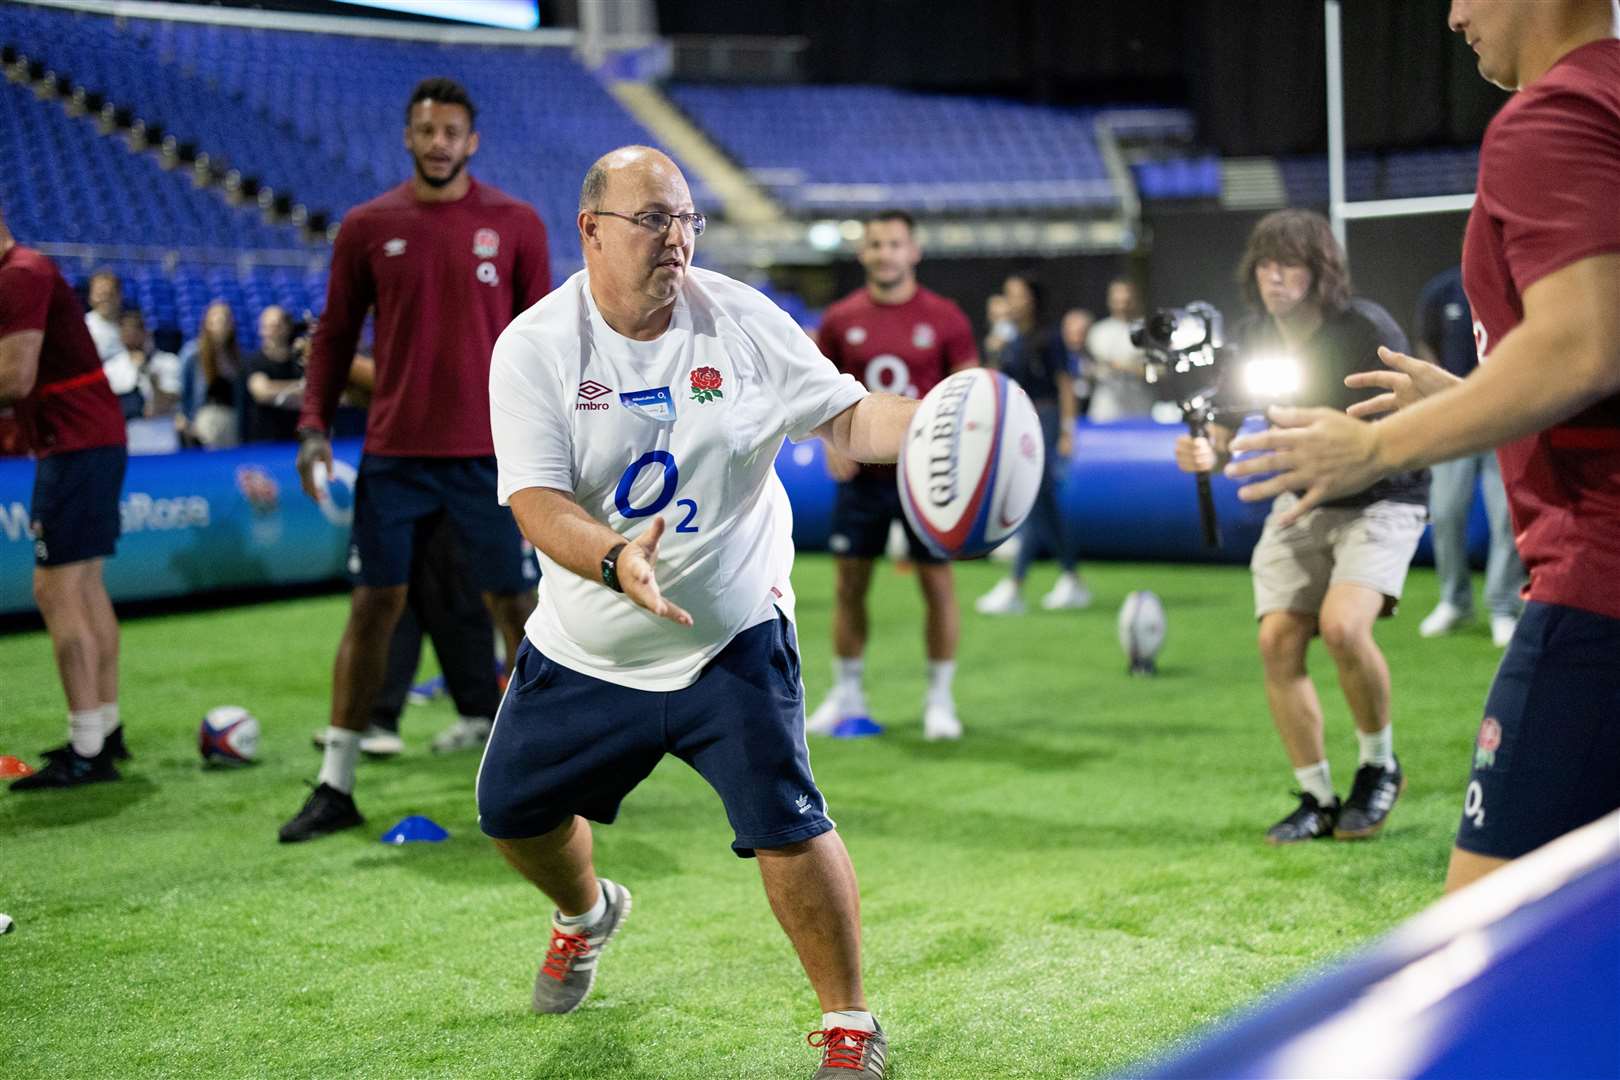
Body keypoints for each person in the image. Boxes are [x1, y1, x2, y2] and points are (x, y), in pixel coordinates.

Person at [481, 145, 905, 1079]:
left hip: (733, 628)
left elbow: (844, 418)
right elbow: (537, 502)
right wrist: (613, 555)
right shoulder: (536, 348)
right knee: (510, 813)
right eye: (651, 219)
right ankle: (588, 914)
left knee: (788, 820)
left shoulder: (743, 318)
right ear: (590, 230)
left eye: (685, 219)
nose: (675, 238)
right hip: (590, 642)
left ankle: (849, 1025)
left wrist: (931, 422)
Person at [1225, 0, 1619, 892]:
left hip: (1600, 580)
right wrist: (1471, 397)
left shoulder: (1551, 116)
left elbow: (1585, 342)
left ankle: (1373, 767)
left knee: (1482, 935)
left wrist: (1373, 447)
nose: (1451, 15)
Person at [277, 76, 550, 843]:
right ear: (408, 136)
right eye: (426, 130)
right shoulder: (368, 225)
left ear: (472, 140)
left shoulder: (517, 223)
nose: (438, 142)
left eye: (451, 131)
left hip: (491, 457)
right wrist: (313, 426)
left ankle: (544, 774)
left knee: (518, 612)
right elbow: (333, 336)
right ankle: (336, 785)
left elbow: (546, 345)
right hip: (394, 455)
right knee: (373, 609)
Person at [1178, 209, 1428, 844]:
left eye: (1288, 264)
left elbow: (1420, 414)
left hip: (1383, 498)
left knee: (1344, 627)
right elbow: (1225, 428)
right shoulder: (1253, 335)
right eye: (1264, 264)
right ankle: (1316, 796)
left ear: (1320, 271)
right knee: (1277, 642)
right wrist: (1207, 449)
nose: (1274, 277)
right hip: (1300, 504)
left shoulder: (1365, 327)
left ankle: (1379, 766)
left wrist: (1370, 448)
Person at [805, 209, 978, 742]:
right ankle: (848, 695)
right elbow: (811, 389)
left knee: (937, 586)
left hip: (925, 480)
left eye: (894, 244)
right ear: (864, 253)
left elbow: (971, 394)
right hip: (862, 479)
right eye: (876, 244)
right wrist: (826, 438)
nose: (885, 253)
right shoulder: (839, 318)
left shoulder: (945, 317)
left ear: (913, 251)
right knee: (849, 587)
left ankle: (939, 700)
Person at [0, 207, 131, 790]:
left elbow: (15, 378)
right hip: (89, 438)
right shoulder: (28, 270)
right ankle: (104, 728)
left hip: (75, 442)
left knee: (54, 587)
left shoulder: (19, 273)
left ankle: (87, 749)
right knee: (83, 584)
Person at [1410, 266, 1525, 647]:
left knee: (1506, 516)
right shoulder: (1441, 290)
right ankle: (1454, 601)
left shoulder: (1516, 285)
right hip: (1455, 419)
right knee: (1443, 511)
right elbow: (1425, 345)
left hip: (1505, 417)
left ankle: (1504, 606)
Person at [976, 272, 1090, 615]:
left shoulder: (1050, 335)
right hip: (1018, 419)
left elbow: (1065, 383)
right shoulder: (1009, 340)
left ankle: (1016, 584)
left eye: (1017, 294)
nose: (1010, 301)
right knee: (1042, 503)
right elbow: (994, 379)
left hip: (1047, 417)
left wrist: (1068, 430)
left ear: (1032, 299)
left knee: (1035, 497)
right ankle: (1070, 576)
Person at [1084, 276, 1155, 421]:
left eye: (1127, 300)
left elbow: (1162, 370)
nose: (1122, 305)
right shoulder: (1098, 331)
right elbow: (1088, 368)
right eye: (1117, 300)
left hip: (1139, 409)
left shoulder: (1149, 330)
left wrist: (1127, 367)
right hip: (1105, 409)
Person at [176, 300, 242, 448]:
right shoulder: (193, 353)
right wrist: (184, 417)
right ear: (207, 323)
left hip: (231, 418)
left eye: (226, 320)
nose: (222, 325)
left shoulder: (236, 356)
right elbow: (183, 389)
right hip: (206, 417)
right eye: (217, 320)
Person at [83, 269, 142, 419]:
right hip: (98, 396)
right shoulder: (84, 327)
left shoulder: (130, 325)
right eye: (100, 293)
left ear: (119, 296)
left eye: (109, 293)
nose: (105, 298)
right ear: (90, 297)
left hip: (130, 396)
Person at [243, 305, 304, 444]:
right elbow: (262, 393)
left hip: (296, 436)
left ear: (287, 328)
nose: (270, 332)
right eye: (266, 327)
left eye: (275, 326)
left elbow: (308, 396)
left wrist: (276, 393)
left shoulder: (299, 361)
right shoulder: (255, 360)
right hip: (265, 439)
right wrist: (297, 387)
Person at [119, 309, 181, 418]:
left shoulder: (169, 361)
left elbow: (170, 402)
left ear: (147, 332)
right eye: (126, 331)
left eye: (137, 329)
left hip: (162, 428)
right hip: (127, 429)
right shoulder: (112, 367)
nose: (132, 335)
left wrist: (150, 378)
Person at [1060, 307, 1096, 418]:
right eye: (1070, 333)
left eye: (1081, 333)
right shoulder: (1060, 359)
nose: (1076, 339)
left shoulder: (1098, 355)